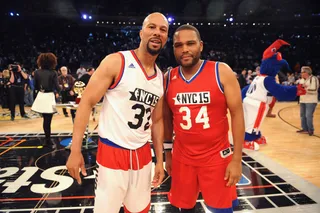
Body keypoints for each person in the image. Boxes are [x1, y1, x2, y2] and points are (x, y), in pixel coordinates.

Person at [66, 12, 169, 213]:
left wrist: (160, 160)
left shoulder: (159, 77)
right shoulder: (117, 61)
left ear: (166, 37)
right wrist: (75, 150)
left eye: (163, 30)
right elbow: (86, 102)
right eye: (152, 27)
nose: (157, 32)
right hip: (112, 154)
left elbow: (157, 122)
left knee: (140, 211)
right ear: (141, 33)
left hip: (143, 156)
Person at [164, 25, 243, 213]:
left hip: (217, 156)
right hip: (182, 157)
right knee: (185, 208)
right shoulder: (168, 78)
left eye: (190, 43)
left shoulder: (221, 71)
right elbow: (167, 120)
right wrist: (168, 154)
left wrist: (237, 159)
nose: (184, 49)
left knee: (221, 209)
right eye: (178, 45)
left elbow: (237, 115)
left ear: (201, 46)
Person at [31, 53, 61, 145]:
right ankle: (48, 139)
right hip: (49, 96)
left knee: (45, 119)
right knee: (48, 120)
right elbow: (57, 87)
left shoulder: (36, 72)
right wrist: (60, 91)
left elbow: (35, 86)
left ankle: (47, 139)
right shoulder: (53, 73)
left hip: (41, 95)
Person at [297, 66, 319, 136]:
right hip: (302, 100)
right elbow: (299, 88)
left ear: (307, 72)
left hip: (311, 101)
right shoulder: (302, 80)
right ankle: (305, 129)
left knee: (308, 115)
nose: (301, 74)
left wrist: (304, 89)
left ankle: (310, 130)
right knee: (302, 115)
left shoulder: (313, 78)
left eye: (302, 72)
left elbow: (314, 89)